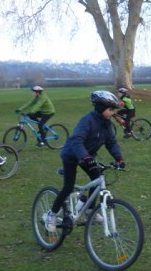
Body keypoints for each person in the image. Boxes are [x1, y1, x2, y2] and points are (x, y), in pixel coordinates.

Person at [44, 90, 125, 232]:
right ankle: (51, 215)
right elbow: (76, 140)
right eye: (110, 109)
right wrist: (85, 157)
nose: (113, 113)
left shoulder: (106, 124)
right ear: (101, 108)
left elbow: (111, 143)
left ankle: (89, 211)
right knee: (68, 187)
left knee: (97, 176)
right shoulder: (87, 121)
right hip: (72, 155)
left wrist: (119, 158)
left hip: (87, 155)